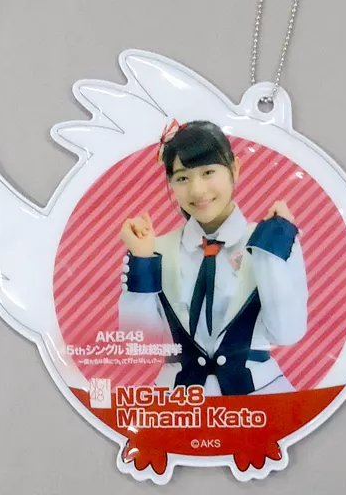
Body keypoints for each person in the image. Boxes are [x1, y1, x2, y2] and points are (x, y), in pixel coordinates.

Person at [118, 119, 308, 396]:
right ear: (170, 183)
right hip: (175, 404)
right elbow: (139, 345)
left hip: (262, 399)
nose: (197, 190)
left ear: (235, 169)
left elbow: (286, 333)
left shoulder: (271, 239)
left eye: (208, 172)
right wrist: (143, 262)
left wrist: (269, 250)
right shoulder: (155, 249)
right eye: (182, 178)